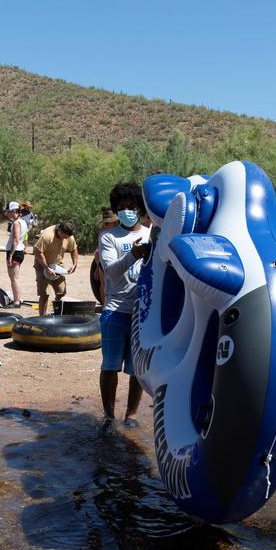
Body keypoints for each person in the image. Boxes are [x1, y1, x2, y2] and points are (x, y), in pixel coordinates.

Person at [98, 183, 151, 432]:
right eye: (122, 208)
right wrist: (133, 255)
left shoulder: (152, 235)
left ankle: (130, 415)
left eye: (131, 207)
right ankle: (109, 416)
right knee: (110, 366)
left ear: (140, 208)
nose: (127, 212)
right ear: (116, 211)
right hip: (114, 311)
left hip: (142, 314)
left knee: (136, 370)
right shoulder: (108, 237)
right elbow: (111, 272)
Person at [33, 221, 78, 315]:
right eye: (65, 236)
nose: (67, 238)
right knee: (44, 294)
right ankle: (42, 318)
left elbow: (74, 249)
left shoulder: (69, 236)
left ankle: (56, 314)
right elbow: (37, 252)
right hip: (42, 265)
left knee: (61, 292)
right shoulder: (47, 236)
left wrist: (74, 264)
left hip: (57, 265)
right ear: (60, 231)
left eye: (68, 237)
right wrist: (46, 268)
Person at [4, 201, 26, 308]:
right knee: (15, 277)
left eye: (9, 211)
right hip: (20, 251)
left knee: (14, 278)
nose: (8, 214)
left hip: (15, 252)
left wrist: (11, 255)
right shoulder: (23, 222)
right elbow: (24, 238)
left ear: (13, 211)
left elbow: (16, 240)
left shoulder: (16, 223)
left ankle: (17, 301)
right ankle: (17, 299)